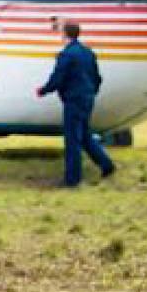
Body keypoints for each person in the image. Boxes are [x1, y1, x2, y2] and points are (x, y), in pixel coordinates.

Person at [36, 19, 114, 187]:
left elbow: (58, 77)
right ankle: (106, 165)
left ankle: (72, 179)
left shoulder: (66, 55)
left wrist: (43, 90)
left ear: (64, 34)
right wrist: (92, 91)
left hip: (73, 99)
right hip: (87, 97)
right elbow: (97, 77)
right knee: (84, 135)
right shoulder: (88, 53)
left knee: (72, 139)